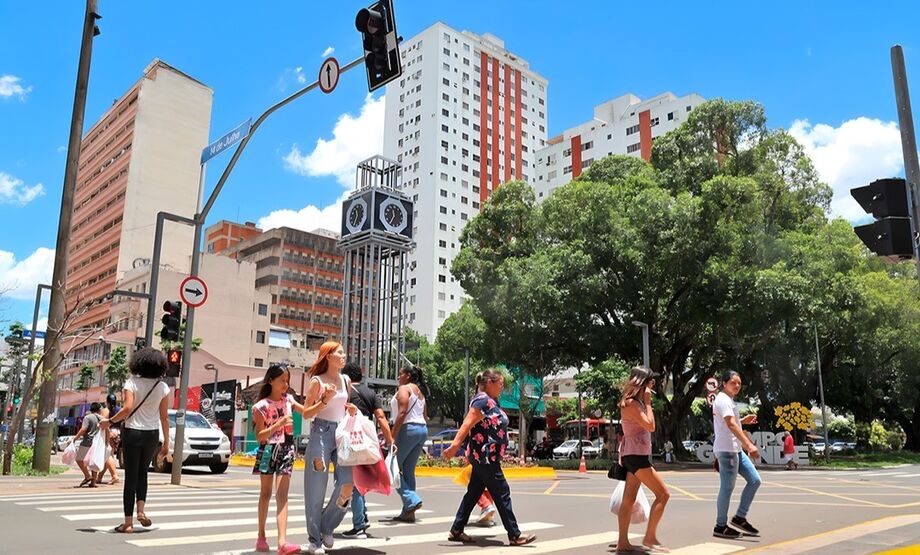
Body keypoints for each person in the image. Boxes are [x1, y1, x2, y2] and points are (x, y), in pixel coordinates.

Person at [442, 368, 537, 546]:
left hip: (485, 456)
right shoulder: (482, 399)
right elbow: (467, 422)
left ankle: (457, 529)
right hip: (485, 457)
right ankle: (515, 535)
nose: (502, 387)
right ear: (490, 383)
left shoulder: (492, 401)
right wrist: (454, 446)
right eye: (500, 383)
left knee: (473, 493)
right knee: (502, 492)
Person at [100, 348, 171, 534]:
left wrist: (109, 422)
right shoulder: (162, 387)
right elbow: (164, 417)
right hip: (152, 434)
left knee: (130, 477)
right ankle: (141, 510)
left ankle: (128, 523)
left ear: (138, 363)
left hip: (132, 432)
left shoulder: (131, 383)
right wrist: (166, 443)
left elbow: (127, 408)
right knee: (143, 474)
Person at [302, 342, 358, 555]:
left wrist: (351, 410)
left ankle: (327, 525)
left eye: (343, 352)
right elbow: (307, 413)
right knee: (316, 487)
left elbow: (343, 407)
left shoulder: (346, 380)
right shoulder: (317, 381)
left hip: (341, 433)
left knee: (347, 483)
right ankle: (314, 539)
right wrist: (324, 400)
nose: (344, 356)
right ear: (327, 356)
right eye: (339, 352)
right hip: (321, 434)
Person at [614, 366, 671, 553]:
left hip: (634, 455)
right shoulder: (632, 403)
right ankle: (650, 538)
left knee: (628, 500)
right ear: (641, 382)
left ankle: (623, 543)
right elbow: (651, 425)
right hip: (636, 457)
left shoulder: (633, 402)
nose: (653, 383)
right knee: (663, 494)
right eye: (650, 380)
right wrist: (648, 402)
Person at [252, 364, 307, 555]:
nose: (286, 384)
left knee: (282, 495)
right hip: (267, 450)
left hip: (287, 449)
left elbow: (307, 412)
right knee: (265, 494)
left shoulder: (289, 400)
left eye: (287, 380)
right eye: (282, 380)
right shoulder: (260, 406)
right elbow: (260, 436)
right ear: (271, 381)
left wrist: (325, 399)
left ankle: (282, 542)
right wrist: (280, 423)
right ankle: (261, 536)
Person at [341, 361, 395, 538]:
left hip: (352, 440)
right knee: (361, 480)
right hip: (368, 441)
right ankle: (362, 517)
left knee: (355, 483)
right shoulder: (370, 393)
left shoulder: (345, 393)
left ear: (347, 377)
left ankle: (359, 525)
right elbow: (381, 417)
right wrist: (389, 440)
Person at [712, 370, 762, 540]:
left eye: (739, 383)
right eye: (733, 382)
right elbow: (730, 425)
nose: (737, 386)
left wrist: (743, 421)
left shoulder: (728, 400)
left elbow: (729, 423)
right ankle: (720, 526)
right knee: (727, 488)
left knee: (755, 480)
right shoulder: (723, 400)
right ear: (724, 383)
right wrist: (749, 444)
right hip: (727, 451)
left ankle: (740, 517)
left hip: (736, 450)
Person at [389, 365, 430, 522]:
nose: (398, 377)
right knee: (408, 471)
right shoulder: (420, 392)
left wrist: (392, 435)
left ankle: (411, 499)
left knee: (392, 468)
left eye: (400, 374)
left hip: (408, 429)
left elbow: (402, 412)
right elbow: (425, 416)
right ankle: (408, 511)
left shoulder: (404, 389)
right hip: (421, 430)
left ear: (407, 375)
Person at [67, 402, 103, 488]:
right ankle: (93, 482)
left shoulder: (88, 417)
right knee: (93, 462)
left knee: (79, 459)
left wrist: (75, 438)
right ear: (98, 410)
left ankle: (87, 476)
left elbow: (83, 429)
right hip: (97, 443)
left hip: (87, 441)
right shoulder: (102, 418)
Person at [94, 407, 119, 485]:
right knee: (107, 456)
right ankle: (99, 477)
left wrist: (106, 440)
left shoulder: (106, 410)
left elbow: (106, 426)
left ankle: (114, 475)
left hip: (110, 435)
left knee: (107, 455)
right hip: (117, 433)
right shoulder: (118, 409)